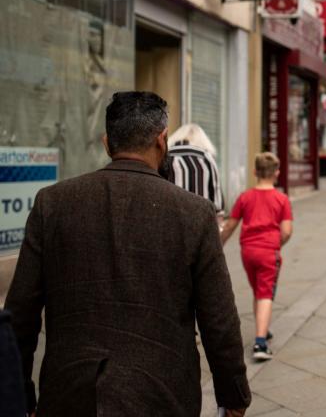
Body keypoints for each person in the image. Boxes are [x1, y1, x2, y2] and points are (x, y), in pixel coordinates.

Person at [3, 91, 250, 417]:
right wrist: (232, 396)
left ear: (107, 143)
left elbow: (21, 313)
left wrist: (22, 394)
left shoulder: (53, 203)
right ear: (162, 141)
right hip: (160, 396)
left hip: (69, 395)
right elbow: (218, 319)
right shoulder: (193, 213)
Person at [220, 152, 294, 360]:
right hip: (268, 251)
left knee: (258, 290)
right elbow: (287, 231)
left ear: (254, 172)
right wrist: (276, 245)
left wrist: (219, 245)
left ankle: (263, 326)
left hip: (248, 253)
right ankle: (260, 343)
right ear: (277, 173)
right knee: (265, 293)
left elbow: (230, 225)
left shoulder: (245, 197)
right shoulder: (281, 199)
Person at [168, 122, 225, 223]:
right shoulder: (206, 157)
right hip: (200, 222)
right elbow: (217, 200)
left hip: (171, 220)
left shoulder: (166, 157)